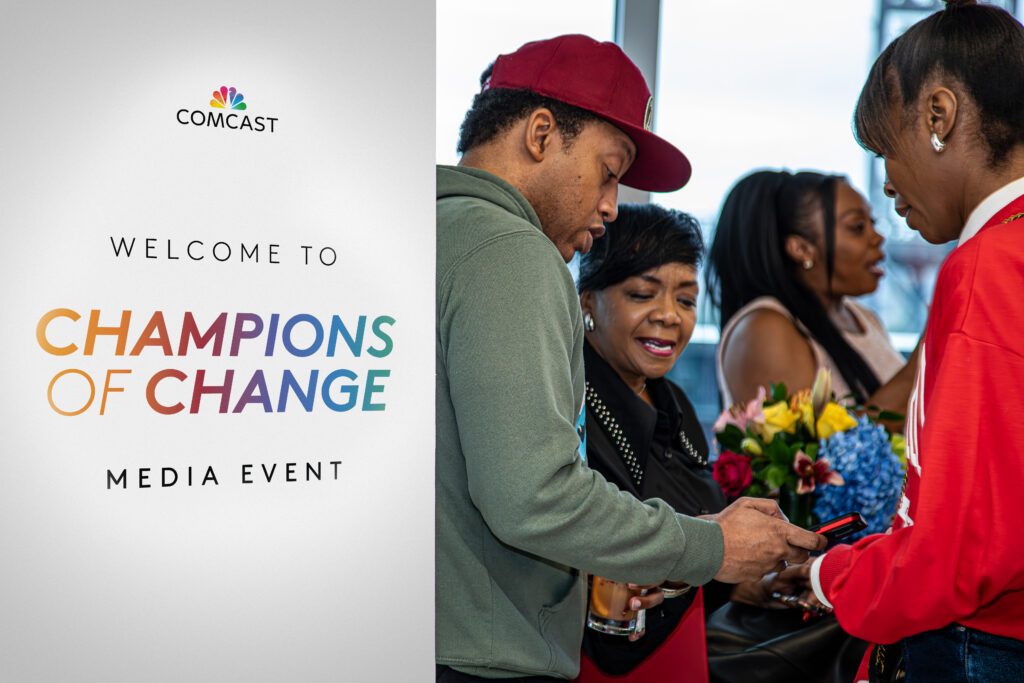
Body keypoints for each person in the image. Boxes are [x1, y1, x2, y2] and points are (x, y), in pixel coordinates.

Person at [436, 34, 825, 682]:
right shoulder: (512, 251)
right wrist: (715, 546)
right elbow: (532, 495)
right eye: (608, 171)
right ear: (539, 134)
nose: (612, 205)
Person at [806, 2, 1024, 681]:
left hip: (983, 644)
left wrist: (826, 574)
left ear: (938, 114)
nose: (887, 184)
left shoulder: (989, 262)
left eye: (884, 149)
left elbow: (955, 548)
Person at [575, 204, 862, 683]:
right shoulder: (573, 405)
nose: (668, 316)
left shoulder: (674, 402)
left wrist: (751, 581)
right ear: (588, 301)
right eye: (643, 294)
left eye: (686, 301)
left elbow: (696, 549)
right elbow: (612, 600)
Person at [706, 170, 918, 419]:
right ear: (802, 249)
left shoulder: (863, 317)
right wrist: (922, 358)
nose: (878, 237)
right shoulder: (766, 329)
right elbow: (813, 455)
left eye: (873, 223)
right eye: (857, 227)